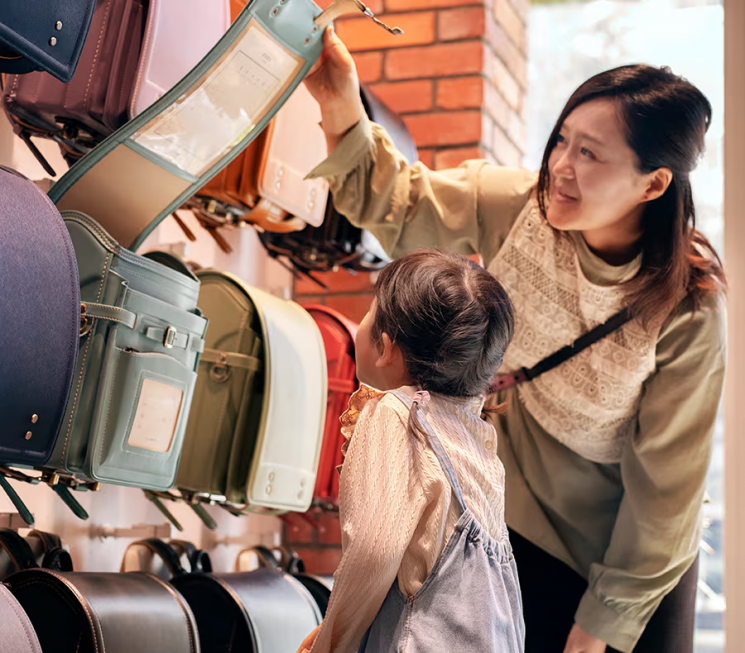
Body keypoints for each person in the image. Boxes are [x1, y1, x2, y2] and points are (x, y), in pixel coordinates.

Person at [303, 26, 727, 653]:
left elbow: (666, 491)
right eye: (562, 140)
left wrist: (595, 630)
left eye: (591, 154)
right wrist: (338, 97)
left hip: (633, 557)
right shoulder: (517, 207)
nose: (561, 166)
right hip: (517, 513)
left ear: (654, 183)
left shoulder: (687, 306)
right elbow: (393, 199)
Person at [300, 248, 523, 653]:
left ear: (385, 345)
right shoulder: (477, 439)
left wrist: (331, 646)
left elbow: (373, 551)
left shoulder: (395, 414)